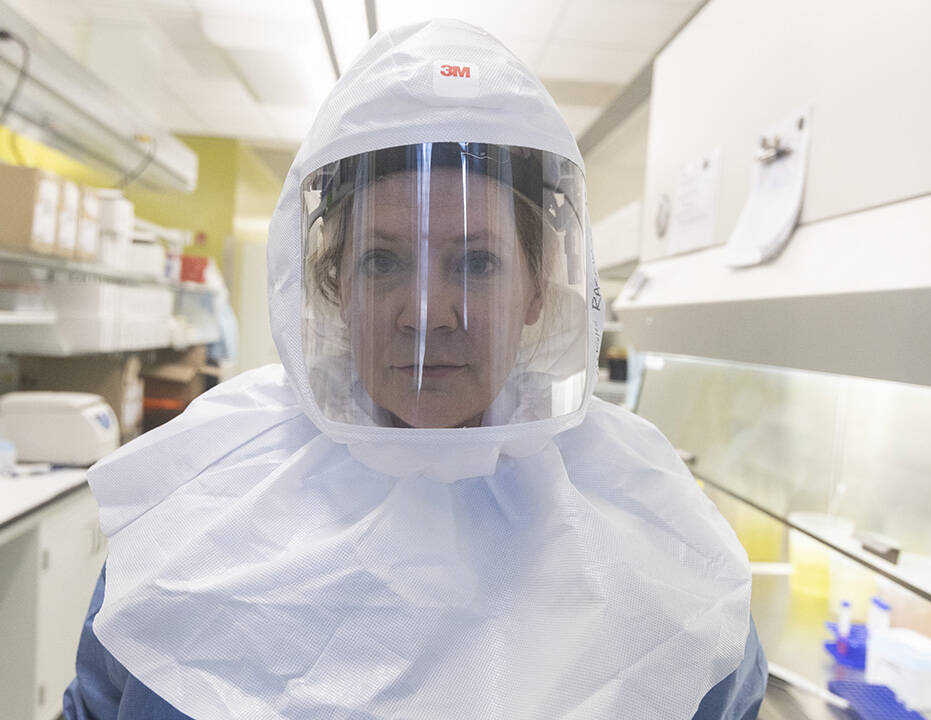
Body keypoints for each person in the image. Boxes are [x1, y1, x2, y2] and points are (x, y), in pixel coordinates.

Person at [65, 19, 766, 720]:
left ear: (535, 289)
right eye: (383, 260)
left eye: (476, 262)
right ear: (335, 283)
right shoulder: (211, 487)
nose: (427, 314)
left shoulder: (645, 522)